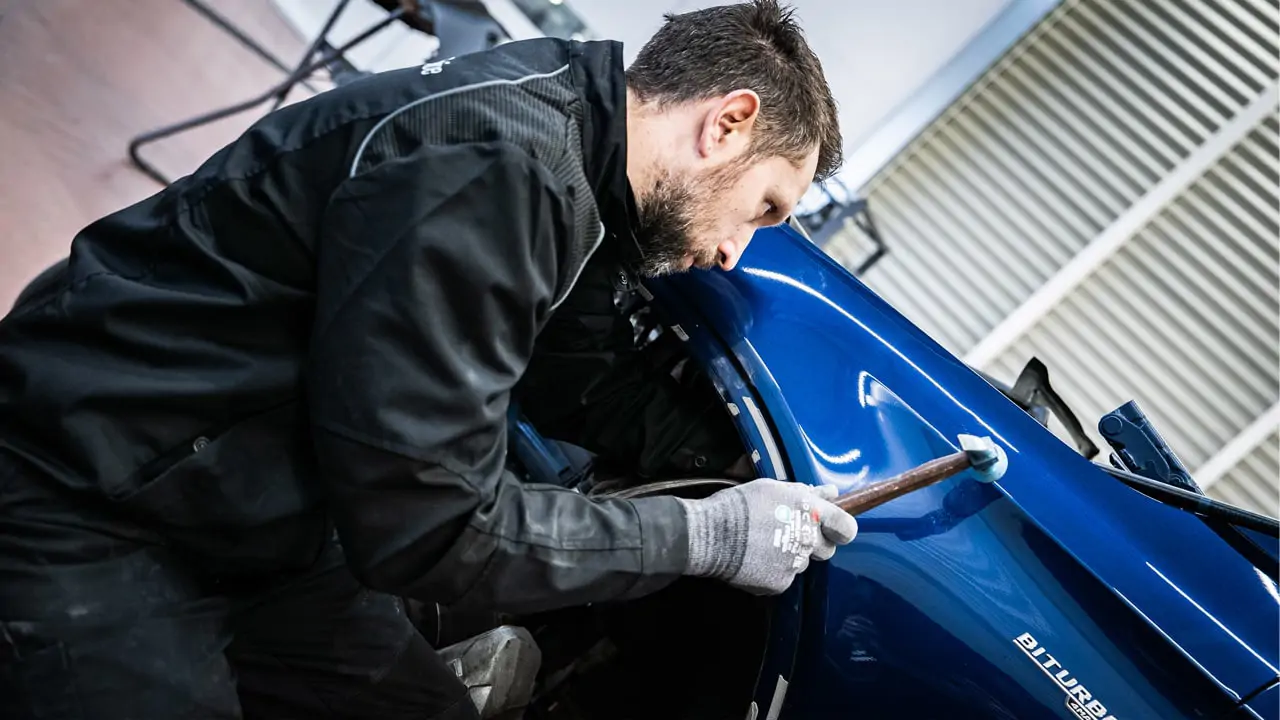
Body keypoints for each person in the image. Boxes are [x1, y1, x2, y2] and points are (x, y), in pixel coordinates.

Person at [0, 1, 856, 717]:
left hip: (255, 507)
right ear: (727, 123)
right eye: (763, 207)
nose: (737, 249)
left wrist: (732, 466)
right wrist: (707, 536)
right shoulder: (494, 168)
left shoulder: (582, 149)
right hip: (94, 492)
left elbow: (578, 377)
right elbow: (434, 528)